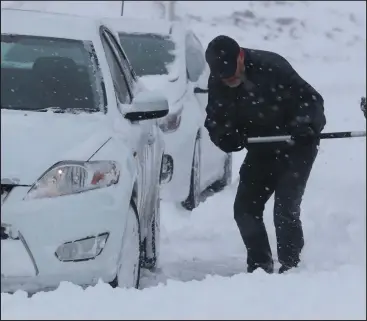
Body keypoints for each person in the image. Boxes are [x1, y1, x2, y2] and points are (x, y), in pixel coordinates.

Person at [204, 35, 326, 274]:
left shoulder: (272, 66)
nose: (230, 79)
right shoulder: (218, 80)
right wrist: (225, 136)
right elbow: (215, 119)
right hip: (261, 149)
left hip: (296, 146)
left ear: (240, 56)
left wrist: (304, 124)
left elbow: (311, 101)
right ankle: (260, 266)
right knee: (245, 209)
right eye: (224, 76)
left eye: (232, 73)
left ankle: (292, 267)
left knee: (284, 209)